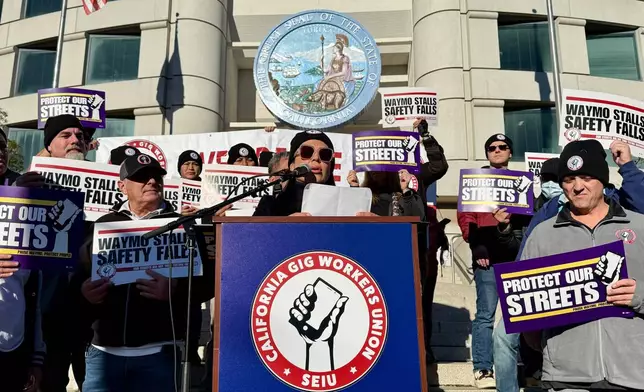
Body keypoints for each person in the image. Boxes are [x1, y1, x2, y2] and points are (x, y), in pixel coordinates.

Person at [493, 141, 644, 392]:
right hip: (567, 378)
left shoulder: (639, 226)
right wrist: (552, 349)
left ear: (603, 180)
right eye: (569, 178)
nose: (577, 186)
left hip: (633, 374)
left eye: (586, 177)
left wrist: (639, 295)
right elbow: (524, 311)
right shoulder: (542, 234)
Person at [78, 154, 214, 391]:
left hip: (160, 354)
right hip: (103, 354)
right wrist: (83, 292)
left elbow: (207, 282)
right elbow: (76, 277)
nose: (151, 181)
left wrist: (175, 289)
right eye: (141, 177)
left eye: (156, 176)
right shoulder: (103, 225)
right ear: (123, 186)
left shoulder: (183, 226)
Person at [457, 134, 529, 389]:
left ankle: (515, 363)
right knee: (486, 315)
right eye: (492, 148)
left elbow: (528, 220)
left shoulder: (522, 183)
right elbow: (466, 216)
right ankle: (483, 368)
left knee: (518, 314)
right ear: (487, 153)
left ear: (510, 152)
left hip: (513, 256)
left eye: (503, 147)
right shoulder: (475, 181)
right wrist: (476, 246)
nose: (497, 150)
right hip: (486, 259)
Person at [39, 114, 95, 392]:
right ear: (48, 146)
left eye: (80, 136)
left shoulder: (105, 186)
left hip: (94, 315)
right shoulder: (28, 186)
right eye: (66, 135)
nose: (76, 140)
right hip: (49, 313)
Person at [0, 127, 46, 392]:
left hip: (13, 351)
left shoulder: (27, 216)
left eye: (2, 146)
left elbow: (34, 296)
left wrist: (36, 360)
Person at [347, 170, 426, 218]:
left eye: (379, 166)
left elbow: (418, 219)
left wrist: (405, 190)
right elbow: (352, 217)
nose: (374, 171)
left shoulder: (406, 195)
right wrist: (354, 188)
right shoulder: (364, 195)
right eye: (372, 167)